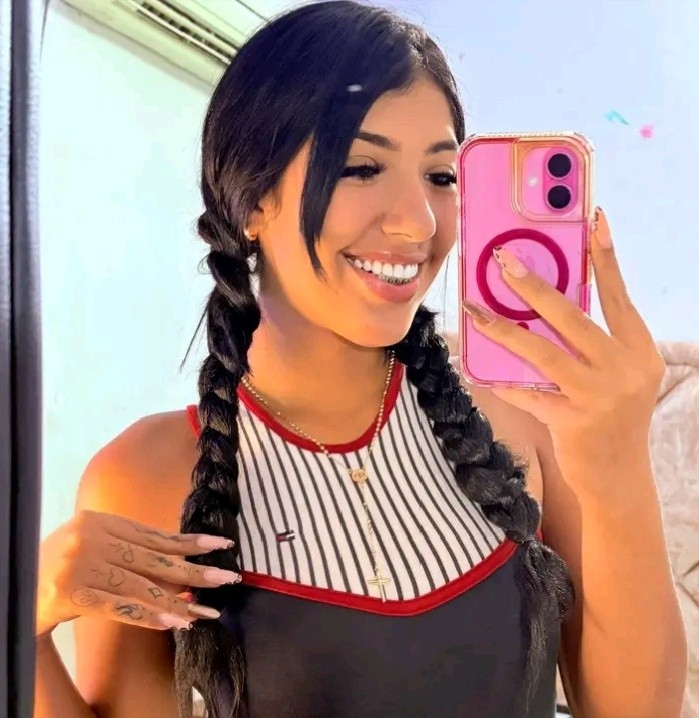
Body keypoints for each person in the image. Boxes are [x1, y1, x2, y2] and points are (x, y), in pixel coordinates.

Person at [34, 2, 687, 717]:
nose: (418, 222)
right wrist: (20, 617)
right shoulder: (146, 477)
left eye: (441, 176)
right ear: (250, 200)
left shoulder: (524, 420)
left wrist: (616, 462)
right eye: (362, 167)